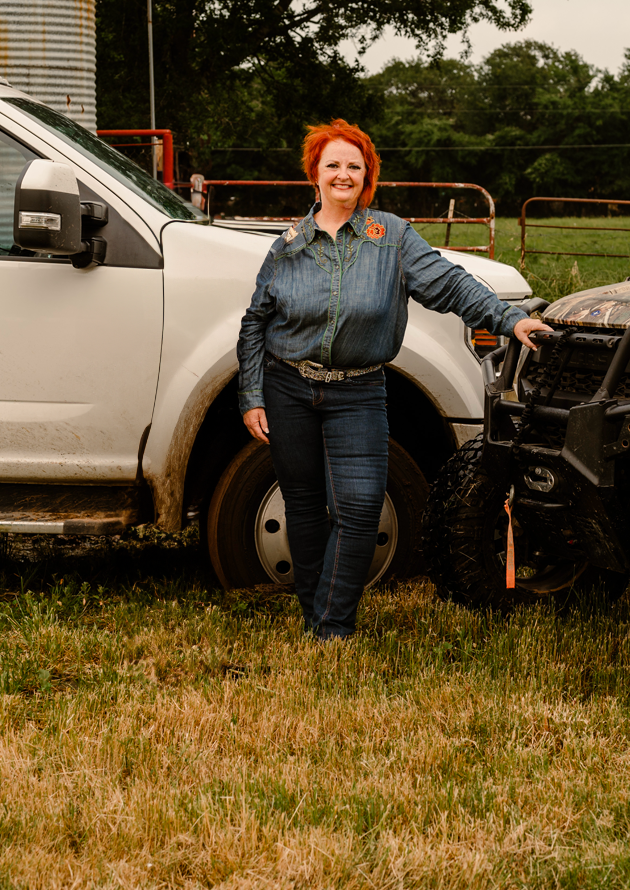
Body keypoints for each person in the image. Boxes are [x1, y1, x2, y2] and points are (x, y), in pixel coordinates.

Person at [236, 119, 552, 639]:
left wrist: (508, 318)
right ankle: (319, 618)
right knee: (305, 505)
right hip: (288, 386)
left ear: (367, 177)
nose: (343, 174)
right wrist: (252, 395)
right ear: (314, 173)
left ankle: (332, 625)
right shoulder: (287, 246)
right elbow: (256, 322)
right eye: (332, 164)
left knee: (359, 508)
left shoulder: (392, 238)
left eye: (353, 166)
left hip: (359, 389)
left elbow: (450, 285)